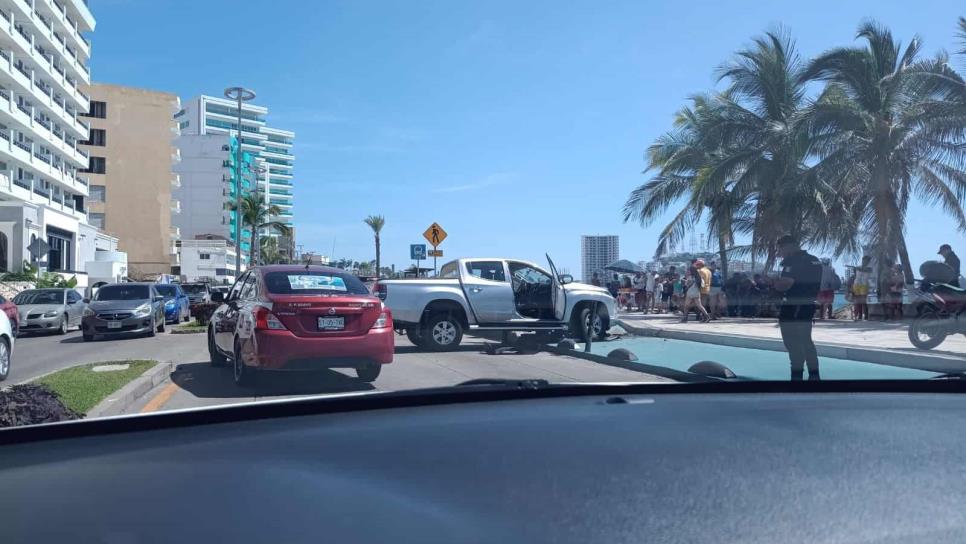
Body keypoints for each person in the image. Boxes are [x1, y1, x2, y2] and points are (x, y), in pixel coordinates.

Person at [772, 235, 823, 381]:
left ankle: (797, 376)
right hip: (808, 304)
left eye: (780, 248)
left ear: (788, 246)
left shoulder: (794, 261)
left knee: (792, 342)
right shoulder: (814, 260)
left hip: (793, 306)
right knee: (806, 340)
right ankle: (814, 375)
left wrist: (774, 283)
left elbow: (785, 284)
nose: (779, 252)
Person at [850, 256, 873, 321]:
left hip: (864, 285)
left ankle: (866, 316)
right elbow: (855, 275)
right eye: (864, 260)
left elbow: (864, 270)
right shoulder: (858, 267)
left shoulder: (869, 268)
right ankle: (857, 316)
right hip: (856, 285)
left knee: (863, 301)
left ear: (868, 262)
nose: (864, 262)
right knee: (857, 302)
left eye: (866, 261)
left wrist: (858, 268)